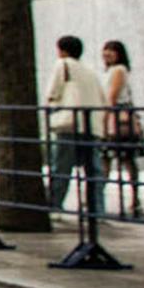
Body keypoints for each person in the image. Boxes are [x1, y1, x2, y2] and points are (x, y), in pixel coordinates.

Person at [45, 34, 107, 214]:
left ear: (62, 51)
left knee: (61, 168)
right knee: (93, 170)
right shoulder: (90, 71)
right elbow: (102, 98)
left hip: (70, 123)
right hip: (92, 125)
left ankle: (54, 206)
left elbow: (52, 92)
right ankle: (97, 209)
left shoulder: (63, 64)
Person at [103, 40, 140, 217]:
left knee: (111, 158)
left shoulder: (118, 70)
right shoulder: (114, 70)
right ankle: (134, 199)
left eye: (111, 50)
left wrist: (103, 119)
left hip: (117, 120)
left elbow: (112, 98)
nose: (107, 53)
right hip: (119, 118)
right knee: (124, 159)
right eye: (105, 50)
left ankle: (97, 197)